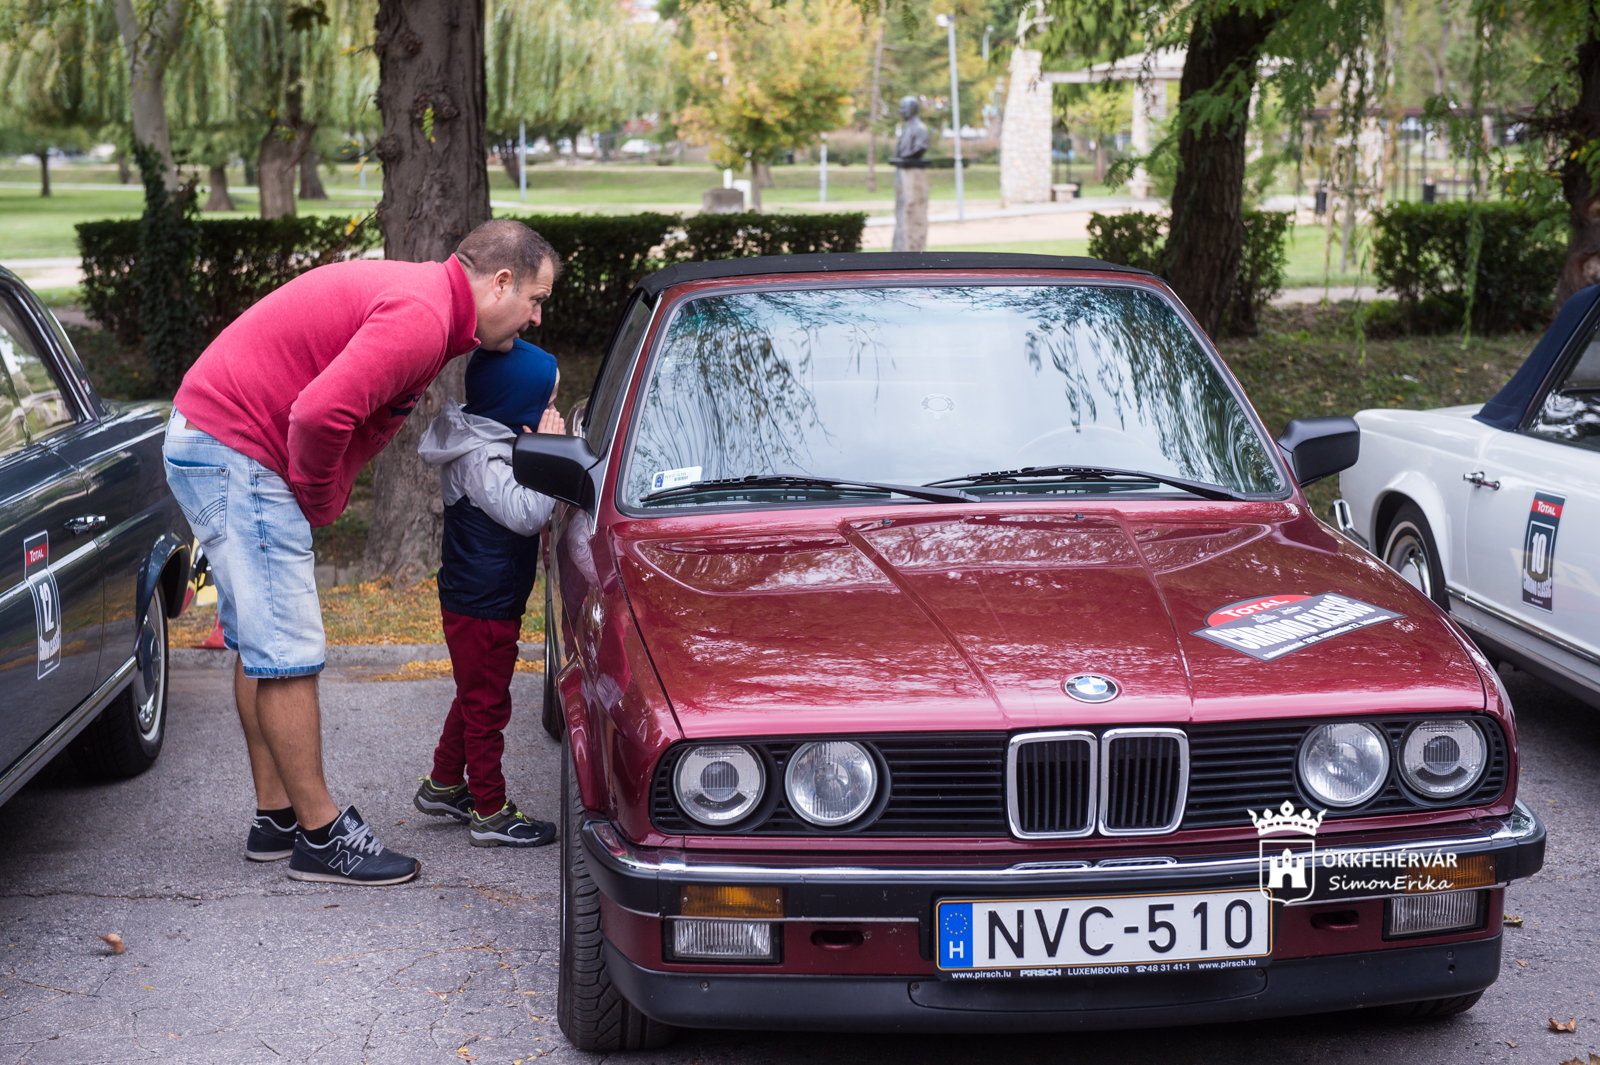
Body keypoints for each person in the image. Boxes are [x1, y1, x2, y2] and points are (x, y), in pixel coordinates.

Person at [163, 219, 561, 886]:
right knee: (287, 648)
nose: (537, 317)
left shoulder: (427, 305)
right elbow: (319, 415)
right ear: (500, 282)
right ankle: (321, 835)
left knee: (258, 641)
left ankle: (277, 817)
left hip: (212, 435)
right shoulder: (425, 317)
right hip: (239, 446)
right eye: (536, 299)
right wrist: (318, 498)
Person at [412, 339, 565, 846]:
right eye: (544, 404)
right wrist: (550, 453)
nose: (550, 413)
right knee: (487, 705)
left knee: (474, 693)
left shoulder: (484, 440)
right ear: (516, 404)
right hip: (483, 604)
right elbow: (527, 515)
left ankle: (444, 784)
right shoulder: (480, 457)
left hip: (481, 597)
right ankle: (491, 810)